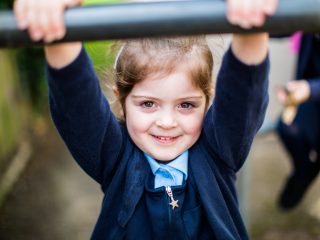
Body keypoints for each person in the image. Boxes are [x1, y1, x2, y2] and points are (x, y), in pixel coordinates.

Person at [14, 0, 277, 238]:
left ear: (207, 101)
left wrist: (251, 25)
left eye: (186, 105)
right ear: (122, 101)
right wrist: (58, 28)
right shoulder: (114, 157)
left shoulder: (219, 151)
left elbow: (244, 90)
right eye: (148, 104)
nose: (167, 121)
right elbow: (76, 101)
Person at [276, 32, 320, 210]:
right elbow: (276, 26)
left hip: (313, 91)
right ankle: (304, 172)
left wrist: (310, 89)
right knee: (287, 127)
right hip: (312, 99)